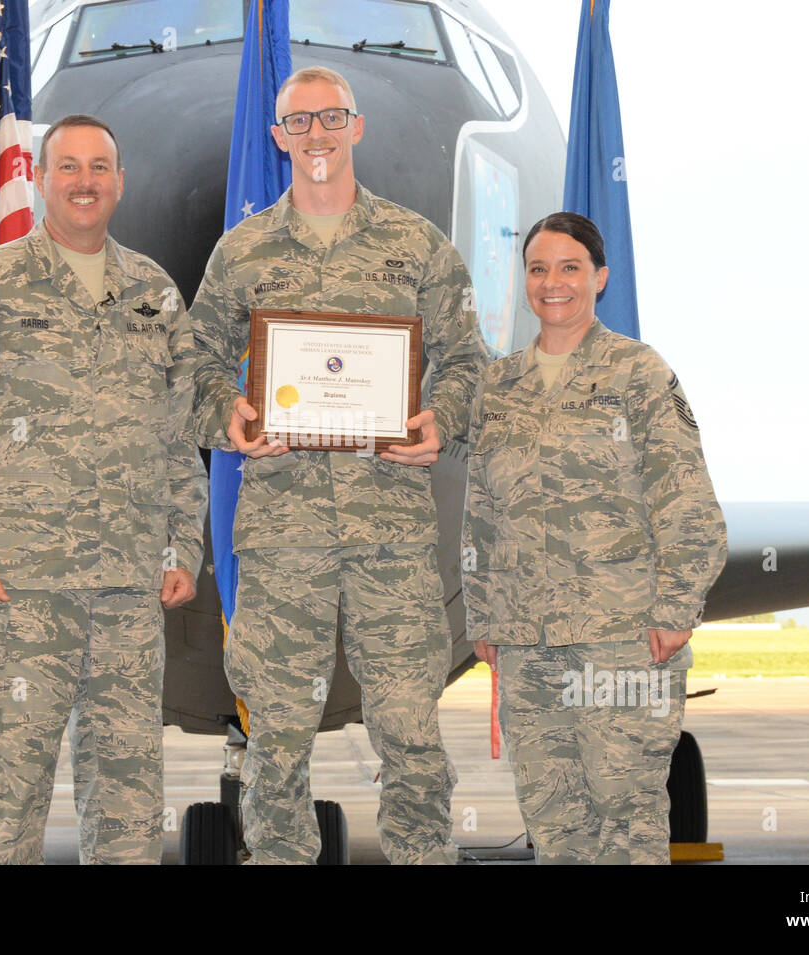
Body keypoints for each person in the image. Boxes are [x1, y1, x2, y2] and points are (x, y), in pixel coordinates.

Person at [184, 66, 486, 865]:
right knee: (277, 739)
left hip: (391, 531)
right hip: (284, 536)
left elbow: (466, 362)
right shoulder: (241, 253)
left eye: (330, 119)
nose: (315, 135)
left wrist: (438, 419)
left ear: (357, 128)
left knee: (410, 731)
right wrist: (233, 417)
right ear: (278, 138)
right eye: (298, 123)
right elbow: (191, 366)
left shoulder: (418, 246)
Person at [0, 115, 207, 864]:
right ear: (39, 177)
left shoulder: (154, 293)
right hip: (21, 595)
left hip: (128, 600)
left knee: (130, 812)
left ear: (120, 181)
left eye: (100, 167)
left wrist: (182, 547)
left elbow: (177, 445)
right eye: (68, 167)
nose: (86, 182)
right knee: (8, 808)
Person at [462, 212, 726, 864]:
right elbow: (481, 516)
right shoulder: (500, 387)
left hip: (622, 645)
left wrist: (673, 611)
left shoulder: (638, 375)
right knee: (555, 832)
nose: (554, 282)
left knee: (626, 828)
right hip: (528, 652)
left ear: (599, 278)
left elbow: (691, 507)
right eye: (539, 268)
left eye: (570, 267)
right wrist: (483, 614)